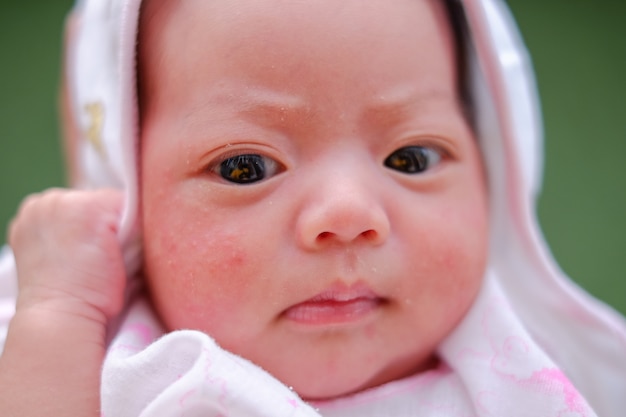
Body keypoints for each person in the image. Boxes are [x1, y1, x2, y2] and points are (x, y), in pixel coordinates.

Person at [0, 0, 625, 415]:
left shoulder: (540, 386)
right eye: (246, 168)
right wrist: (58, 314)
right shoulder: (104, 373)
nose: (348, 214)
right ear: (132, 195)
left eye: (411, 158)